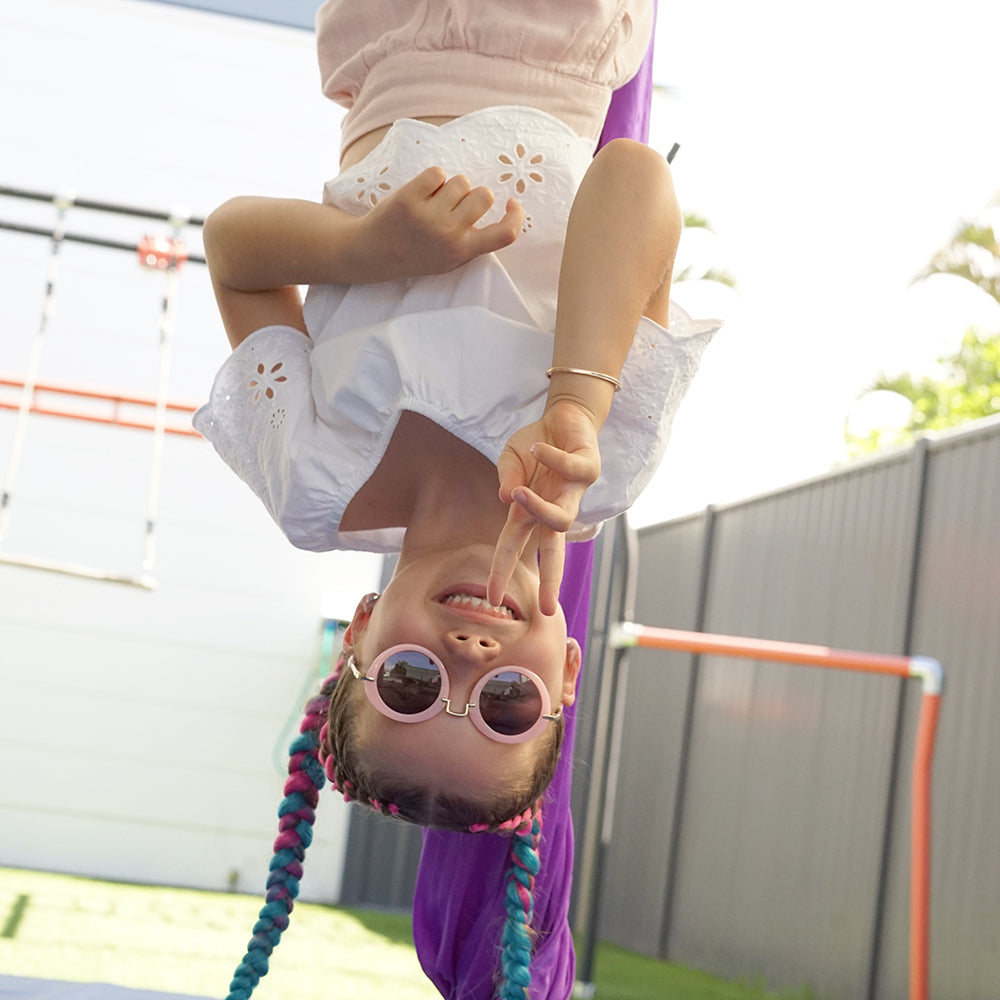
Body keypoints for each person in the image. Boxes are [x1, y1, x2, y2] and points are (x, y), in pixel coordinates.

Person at [194, 2, 719, 997]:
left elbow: (230, 246)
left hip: (385, 39)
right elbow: (633, 178)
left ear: (359, 630)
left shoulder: (311, 482)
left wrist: (359, 253)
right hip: (558, 40)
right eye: (508, 706)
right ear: (564, 670)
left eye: (409, 684)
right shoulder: (600, 462)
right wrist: (574, 399)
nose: (469, 664)